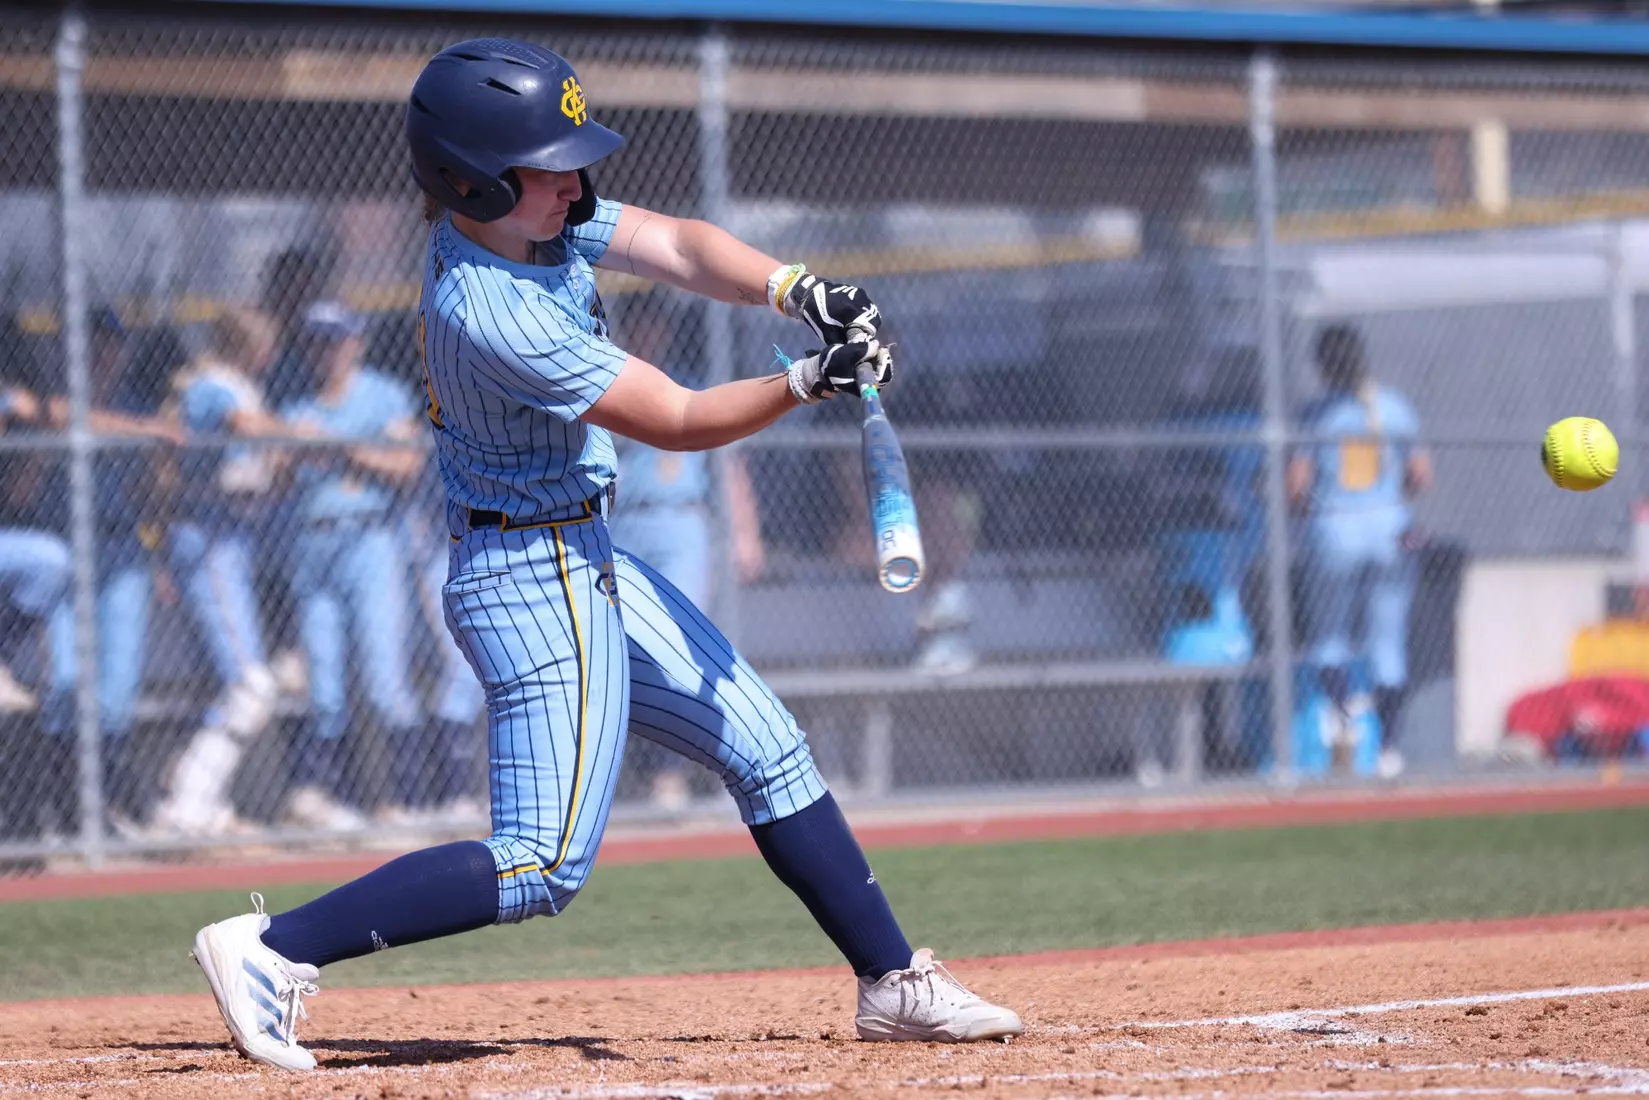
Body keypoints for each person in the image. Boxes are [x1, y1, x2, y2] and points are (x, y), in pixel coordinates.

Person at [190, 39, 1021, 1072]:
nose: (575, 182)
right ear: (470, 175)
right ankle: (272, 946)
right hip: (529, 581)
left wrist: (799, 290)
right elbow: (671, 416)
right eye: (546, 164)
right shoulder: (485, 304)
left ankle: (891, 979)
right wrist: (809, 379)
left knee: (765, 745)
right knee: (540, 862)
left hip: (582, 555)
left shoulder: (543, 220)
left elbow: (676, 245)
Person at [605, 292, 765, 811]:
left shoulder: (687, 382)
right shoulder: (609, 378)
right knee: (621, 654)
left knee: (677, 648)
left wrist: (745, 534)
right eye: (641, 325)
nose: (650, 334)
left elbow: (728, 465)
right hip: (622, 524)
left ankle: (671, 778)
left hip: (682, 521)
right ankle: (632, 777)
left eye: (657, 325)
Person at [277, 300, 425, 830]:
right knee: (323, 682)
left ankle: (406, 801)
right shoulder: (294, 407)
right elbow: (273, 483)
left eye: (335, 339)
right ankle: (325, 801)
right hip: (311, 547)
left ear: (356, 342)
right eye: (316, 340)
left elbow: (406, 466)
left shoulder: (384, 394)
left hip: (370, 540)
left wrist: (337, 447)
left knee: (386, 677)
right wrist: (285, 453)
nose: (325, 350)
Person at [149, 307, 287, 835]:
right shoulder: (212, 384)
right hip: (206, 534)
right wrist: (300, 432)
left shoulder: (241, 384)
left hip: (235, 535)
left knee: (247, 685)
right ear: (248, 345)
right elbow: (244, 426)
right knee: (251, 686)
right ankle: (187, 803)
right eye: (265, 343)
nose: (270, 353)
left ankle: (196, 797)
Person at [1288, 323, 1432, 780]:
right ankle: (1388, 748)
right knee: (1387, 642)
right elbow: (1420, 473)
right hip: (1389, 529)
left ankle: (1343, 727)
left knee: (1330, 636)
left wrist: (1310, 511)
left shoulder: (1316, 414)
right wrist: (1394, 503)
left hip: (1335, 531)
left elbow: (1296, 485)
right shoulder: (1393, 408)